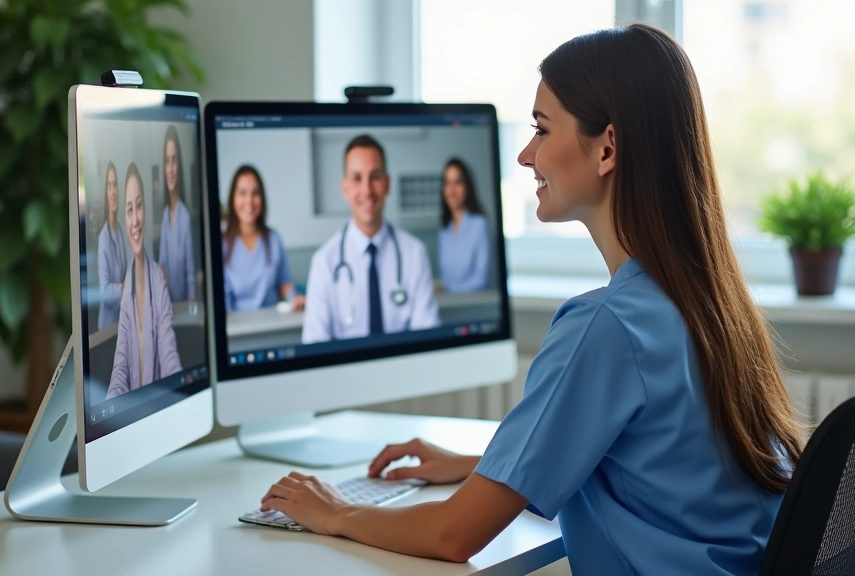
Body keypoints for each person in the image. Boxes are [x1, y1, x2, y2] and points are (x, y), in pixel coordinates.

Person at [259, 25, 803, 575]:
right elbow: (657, 466)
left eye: (541, 130)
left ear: (607, 147)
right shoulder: (707, 303)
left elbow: (454, 536)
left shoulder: (606, 325)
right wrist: (484, 469)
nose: (524, 155)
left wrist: (337, 511)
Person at [301, 134, 440, 343]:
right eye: (357, 178)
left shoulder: (415, 253)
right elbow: (315, 345)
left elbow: (428, 339)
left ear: (387, 184)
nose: (367, 190)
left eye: (375, 177)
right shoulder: (324, 262)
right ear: (345, 188)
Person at [108, 163, 183, 399]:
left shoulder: (158, 278)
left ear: (146, 210)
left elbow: (168, 350)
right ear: (124, 219)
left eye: (139, 206)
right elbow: (120, 366)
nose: (136, 220)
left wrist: (182, 392)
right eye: (129, 210)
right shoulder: (127, 285)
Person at [223, 165, 304, 312]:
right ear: (233, 198)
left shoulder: (274, 239)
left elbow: (284, 284)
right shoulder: (222, 245)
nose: (249, 201)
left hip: (271, 323)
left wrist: (294, 298)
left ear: (262, 198)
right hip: (235, 327)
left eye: (255, 193)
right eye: (242, 193)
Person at [437, 157, 491, 293]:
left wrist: (447, 289)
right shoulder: (445, 229)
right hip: (449, 305)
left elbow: (480, 281)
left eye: (457, 182)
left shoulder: (479, 225)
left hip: (471, 305)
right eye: (447, 183)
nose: (451, 190)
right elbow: (446, 277)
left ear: (467, 187)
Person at [158, 124, 197, 302]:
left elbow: (191, 274)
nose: (170, 168)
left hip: (183, 308)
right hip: (167, 306)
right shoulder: (166, 215)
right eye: (167, 160)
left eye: (174, 160)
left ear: (179, 165)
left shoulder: (185, 218)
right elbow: (162, 264)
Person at [97, 161, 128, 330]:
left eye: (115, 185)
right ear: (106, 193)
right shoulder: (104, 238)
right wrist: (123, 286)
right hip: (108, 328)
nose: (113, 191)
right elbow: (104, 293)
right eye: (109, 186)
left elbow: (128, 272)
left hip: (122, 323)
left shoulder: (122, 231)